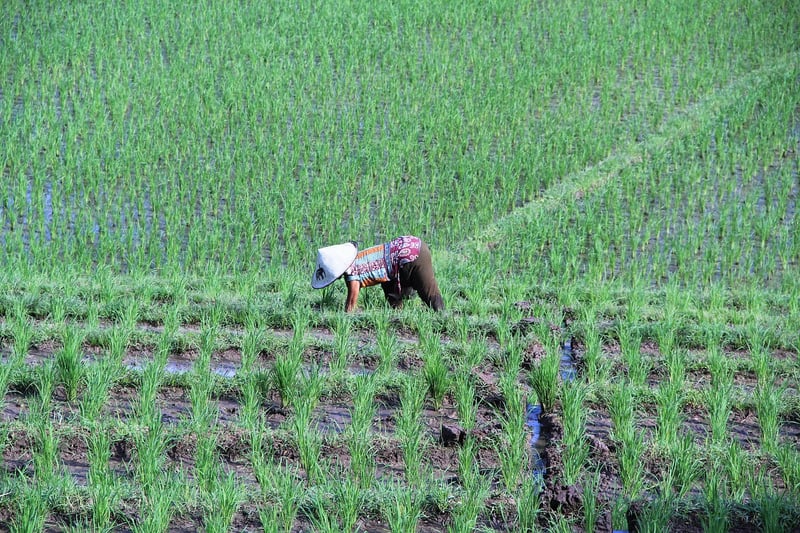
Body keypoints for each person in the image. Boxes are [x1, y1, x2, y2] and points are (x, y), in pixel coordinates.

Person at [311, 235, 444, 312]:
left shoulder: (352, 274)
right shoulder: (359, 257)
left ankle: (443, 317)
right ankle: (398, 312)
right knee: (389, 285)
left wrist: (345, 319)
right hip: (407, 246)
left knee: (429, 292)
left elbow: (351, 304)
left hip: (411, 254)